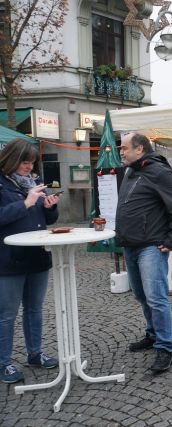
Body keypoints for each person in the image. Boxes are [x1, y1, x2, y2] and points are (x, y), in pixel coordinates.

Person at [115, 133, 172, 373]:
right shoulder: (130, 171)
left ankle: (166, 348)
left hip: (151, 246)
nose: (121, 152)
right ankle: (153, 334)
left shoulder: (159, 171)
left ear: (140, 148)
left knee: (156, 297)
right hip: (130, 244)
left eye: (125, 148)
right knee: (140, 295)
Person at [0, 138, 60, 383]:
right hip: (10, 259)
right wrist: (25, 203)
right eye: (25, 163)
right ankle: (3, 362)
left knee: (34, 309)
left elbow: (47, 220)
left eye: (31, 163)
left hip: (37, 255)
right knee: (7, 314)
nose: (28, 168)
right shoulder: (2, 184)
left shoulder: (33, 183)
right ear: (12, 159)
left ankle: (34, 353)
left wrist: (48, 206)